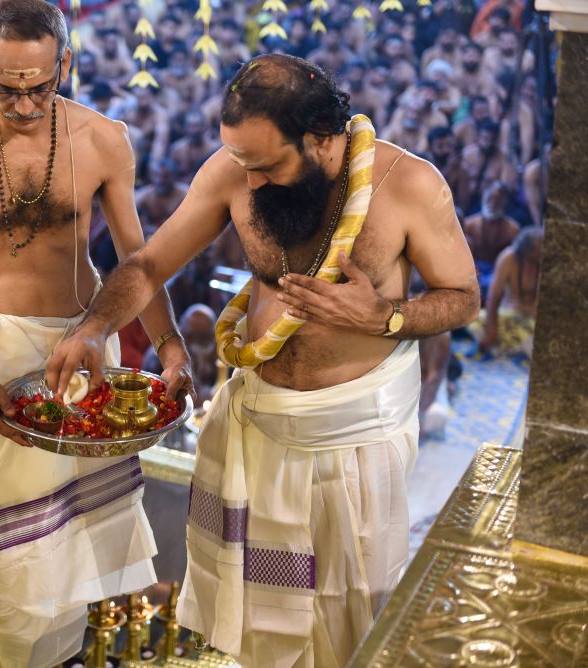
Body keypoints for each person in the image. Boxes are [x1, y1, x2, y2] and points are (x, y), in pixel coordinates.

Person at [47, 54, 479, 667]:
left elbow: (463, 297)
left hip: (352, 434)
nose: (249, 182)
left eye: (267, 166)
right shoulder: (235, 172)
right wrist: (94, 328)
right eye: (242, 163)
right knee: (256, 622)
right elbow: (147, 266)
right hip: (261, 423)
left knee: (348, 617)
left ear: (321, 138)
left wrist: (383, 316)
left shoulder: (408, 185)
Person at [0, 2, 192, 665]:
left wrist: (171, 345)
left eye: (40, 86)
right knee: (11, 567)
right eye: (8, 89)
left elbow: (138, 262)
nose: (26, 104)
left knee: (72, 547)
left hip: (83, 353)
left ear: (65, 63)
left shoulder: (103, 140)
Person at [476, 226, 543, 357]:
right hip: (509, 314)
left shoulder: (548, 261)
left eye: (537, 261)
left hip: (534, 319)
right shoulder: (508, 258)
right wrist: (491, 330)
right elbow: (493, 298)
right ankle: (515, 347)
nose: (533, 266)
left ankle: (513, 347)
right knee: (477, 320)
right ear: (522, 255)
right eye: (530, 260)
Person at [464, 181, 520, 297]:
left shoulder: (513, 229)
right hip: (471, 271)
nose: (493, 203)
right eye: (490, 198)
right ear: (483, 198)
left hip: (498, 272)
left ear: (505, 202)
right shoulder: (469, 224)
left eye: (498, 200)